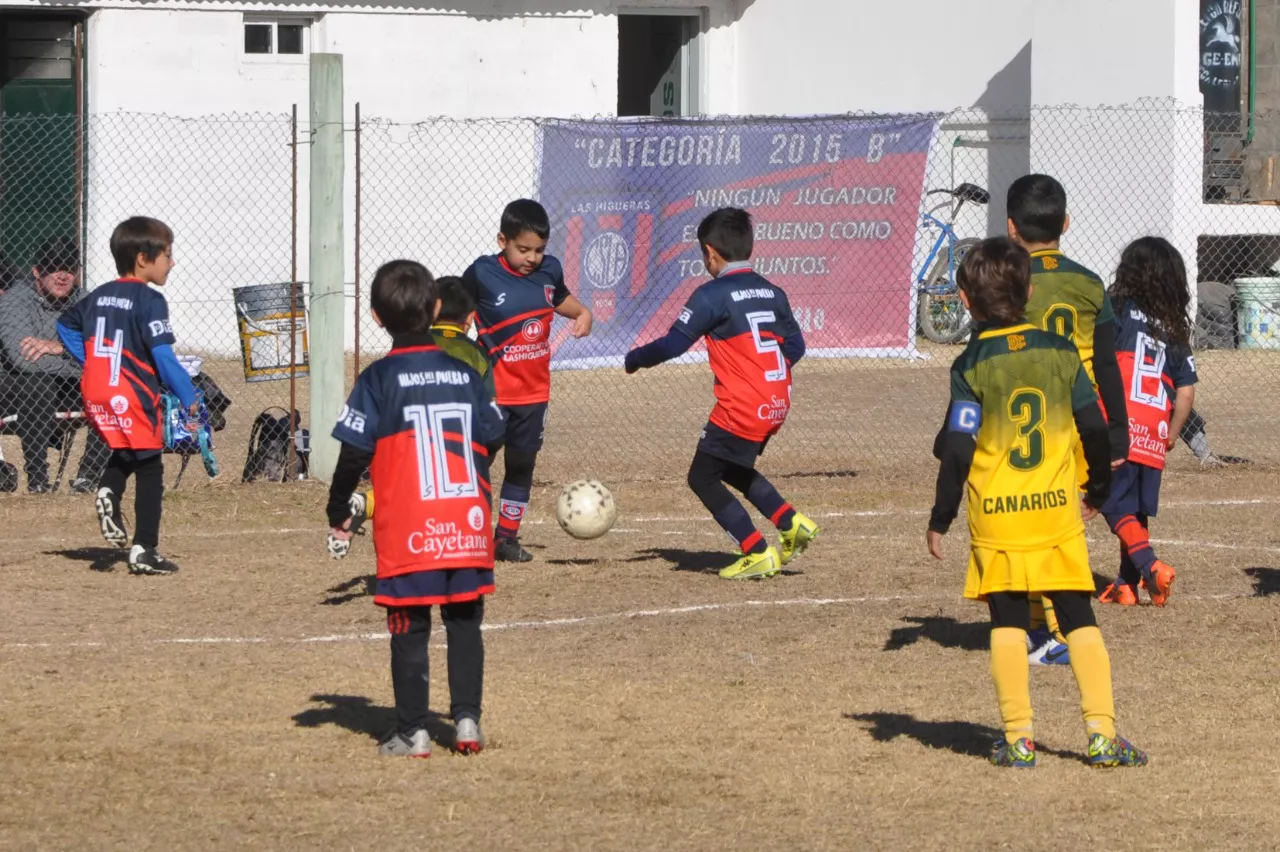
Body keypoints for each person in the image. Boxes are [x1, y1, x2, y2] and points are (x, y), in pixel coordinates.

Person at [927, 236, 1147, 768]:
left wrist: (941, 517)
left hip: (998, 518)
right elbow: (1093, 426)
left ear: (965, 300)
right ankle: (1102, 735)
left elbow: (957, 446)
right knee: (1078, 618)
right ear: (1027, 291)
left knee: (1006, 623)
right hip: (1053, 513)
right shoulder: (1060, 351)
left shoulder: (970, 363)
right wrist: (1097, 488)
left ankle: (1019, 739)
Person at [326, 260, 505, 758]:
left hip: (410, 525)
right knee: (465, 621)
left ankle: (412, 731)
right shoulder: (465, 371)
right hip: (465, 521)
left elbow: (354, 451)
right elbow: (495, 430)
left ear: (377, 319)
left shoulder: (378, 377)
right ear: (437, 308)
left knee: (410, 627)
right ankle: (467, 722)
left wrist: (338, 503)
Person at [624, 207, 819, 579]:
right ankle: (791, 522)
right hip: (776, 400)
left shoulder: (711, 294)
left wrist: (635, 358)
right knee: (732, 466)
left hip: (743, 404)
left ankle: (756, 550)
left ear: (710, 252)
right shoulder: (772, 291)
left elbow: (673, 345)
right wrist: (766, 377)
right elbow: (796, 348)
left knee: (702, 476)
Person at [1006, 174, 1128, 667]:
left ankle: (1044, 629)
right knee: (1062, 524)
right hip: (1078, 420)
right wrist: (1116, 428)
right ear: (1067, 223)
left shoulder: (1009, 281)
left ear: (1012, 229)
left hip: (1022, 418)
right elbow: (1105, 363)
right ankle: (1048, 630)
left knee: (1026, 519)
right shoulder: (1090, 282)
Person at [56, 218, 199, 576]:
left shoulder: (99, 293)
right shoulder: (150, 299)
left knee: (128, 450)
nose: (172, 262)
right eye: (167, 254)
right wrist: (189, 395)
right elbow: (164, 358)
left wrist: (91, 361)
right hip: (130, 390)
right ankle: (145, 549)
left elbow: (64, 324)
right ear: (142, 259)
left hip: (96, 387)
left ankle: (108, 491)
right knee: (151, 466)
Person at [463, 199, 593, 563]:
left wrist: (583, 312)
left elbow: (560, 298)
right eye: (523, 249)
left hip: (534, 393)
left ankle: (505, 539)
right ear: (502, 240)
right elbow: (457, 308)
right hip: (492, 394)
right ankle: (469, 535)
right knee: (476, 464)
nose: (532, 258)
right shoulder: (482, 272)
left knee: (522, 466)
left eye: (538, 250)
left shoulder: (549, 270)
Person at [346, 274, 495, 530]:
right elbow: (488, 407)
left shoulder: (409, 344)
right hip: (456, 441)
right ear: (470, 318)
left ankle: (370, 503)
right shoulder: (477, 353)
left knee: (413, 477)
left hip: (405, 432)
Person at [1097, 238, 1195, 607]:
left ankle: (1150, 566)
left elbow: (1101, 359)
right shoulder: (1173, 329)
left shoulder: (1115, 309)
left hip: (1120, 423)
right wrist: (1171, 433)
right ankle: (1126, 584)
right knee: (1134, 506)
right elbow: (1186, 392)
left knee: (1108, 499)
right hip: (1154, 429)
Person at [0, 236, 109, 492]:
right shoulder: (15, 301)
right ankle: (38, 480)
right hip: (17, 389)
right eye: (53, 267)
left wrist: (60, 347)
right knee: (38, 383)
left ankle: (87, 478)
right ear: (37, 272)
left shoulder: (87, 302)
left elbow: (112, 354)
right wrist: (83, 358)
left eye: (70, 268)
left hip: (70, 386)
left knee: (112, 388)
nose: (62, 275)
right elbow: (24, 362)